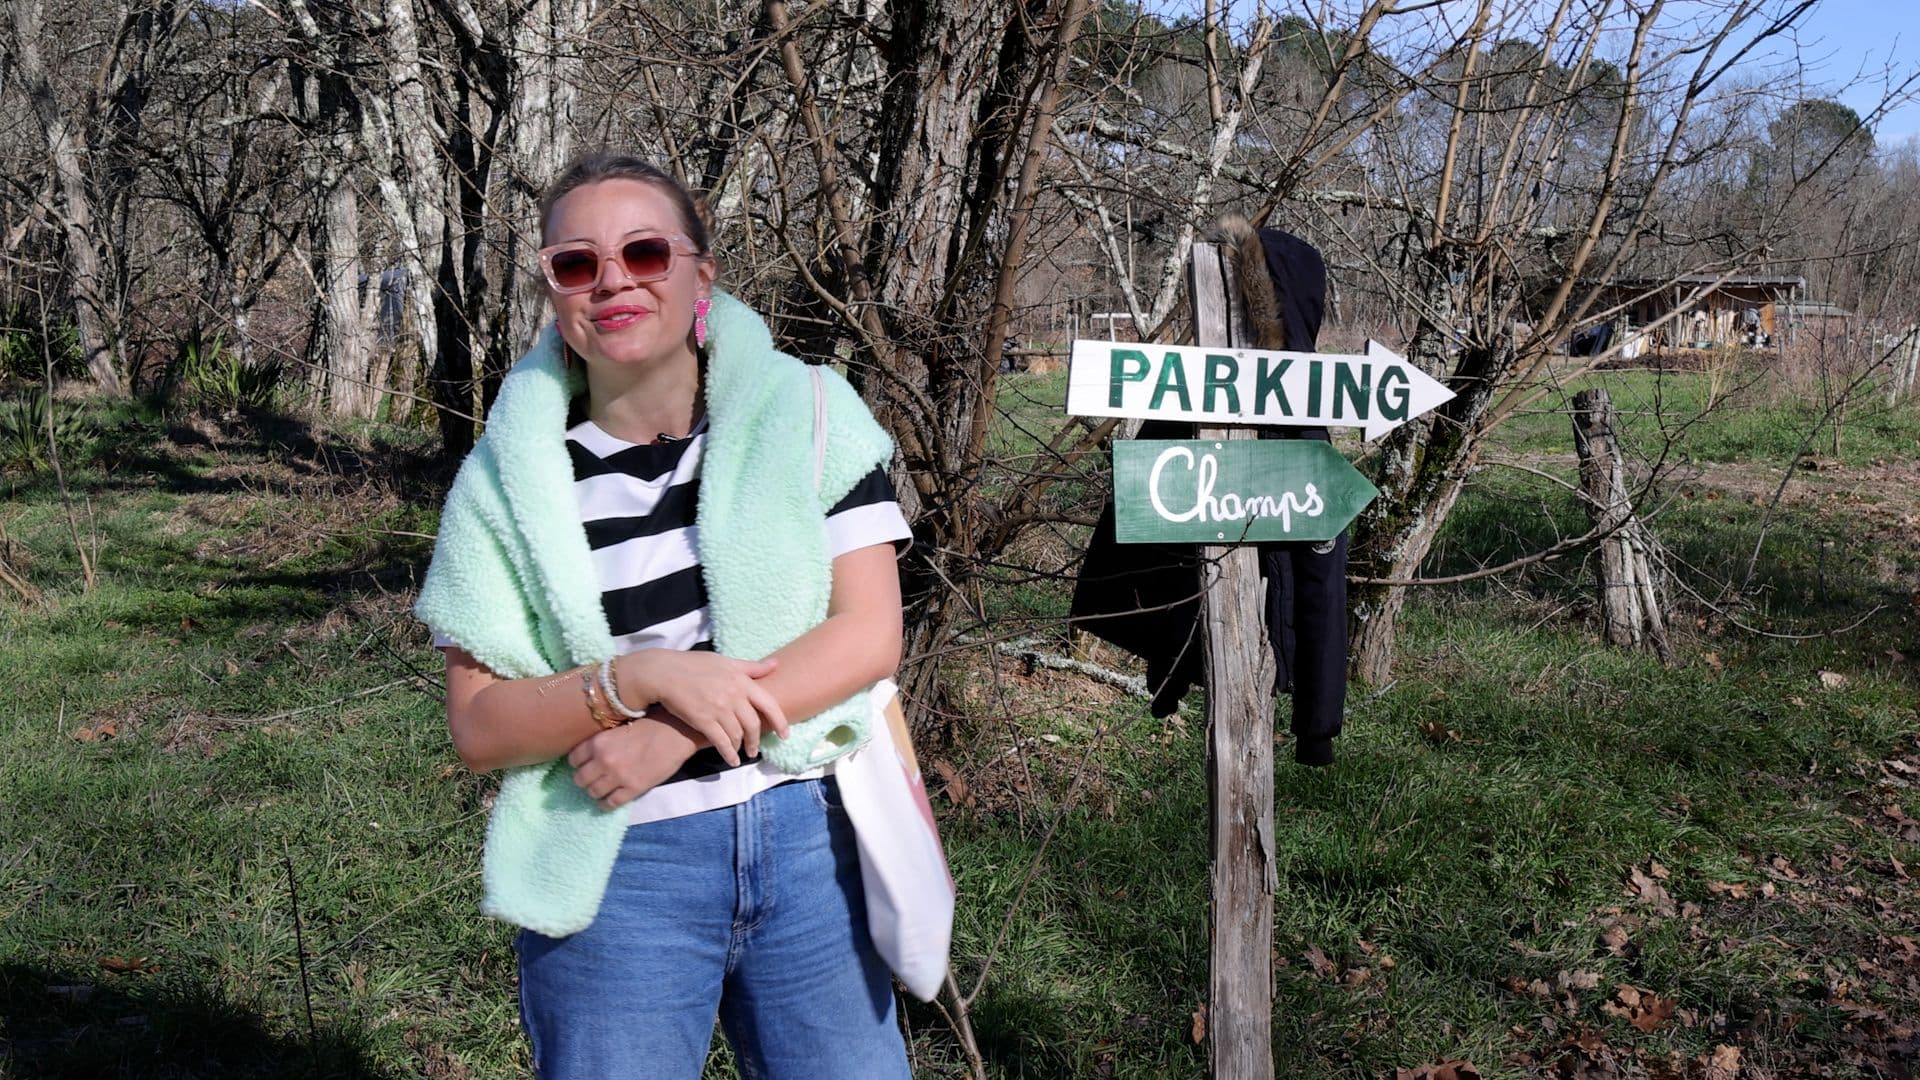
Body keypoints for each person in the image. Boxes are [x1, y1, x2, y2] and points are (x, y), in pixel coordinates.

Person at [413, 152, 914, 1079]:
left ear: (700, 276)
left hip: (811, 838)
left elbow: (869, 633)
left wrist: (675, 731)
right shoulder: (507, 482)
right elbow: (480, 727)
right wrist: (633, 681)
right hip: (617, 872)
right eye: (576, 263)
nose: (613, 280)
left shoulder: (807, 415)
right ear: (554, 291)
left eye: (645, 251)